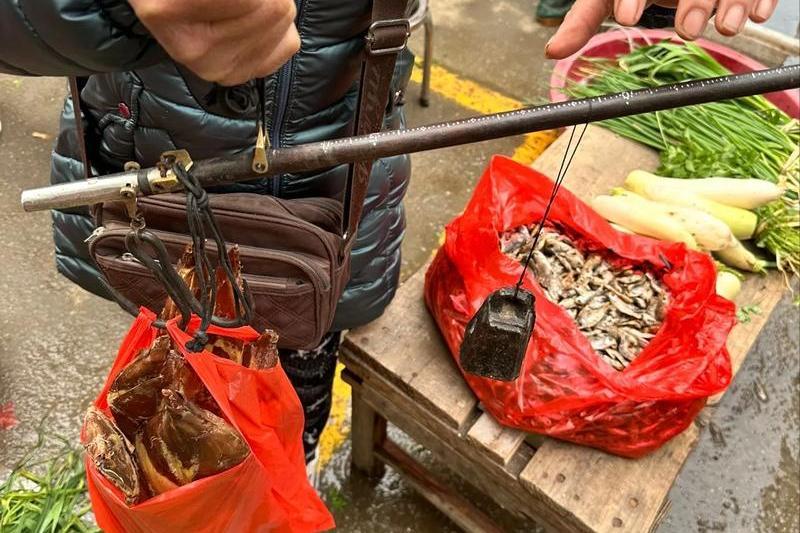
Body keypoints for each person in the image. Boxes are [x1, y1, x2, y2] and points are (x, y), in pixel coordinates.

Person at [0, 0, 775, 468]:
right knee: (169, 363)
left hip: (333, 196)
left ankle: (288, 474)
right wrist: (103, 9)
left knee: (293, 390)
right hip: (141, 187)